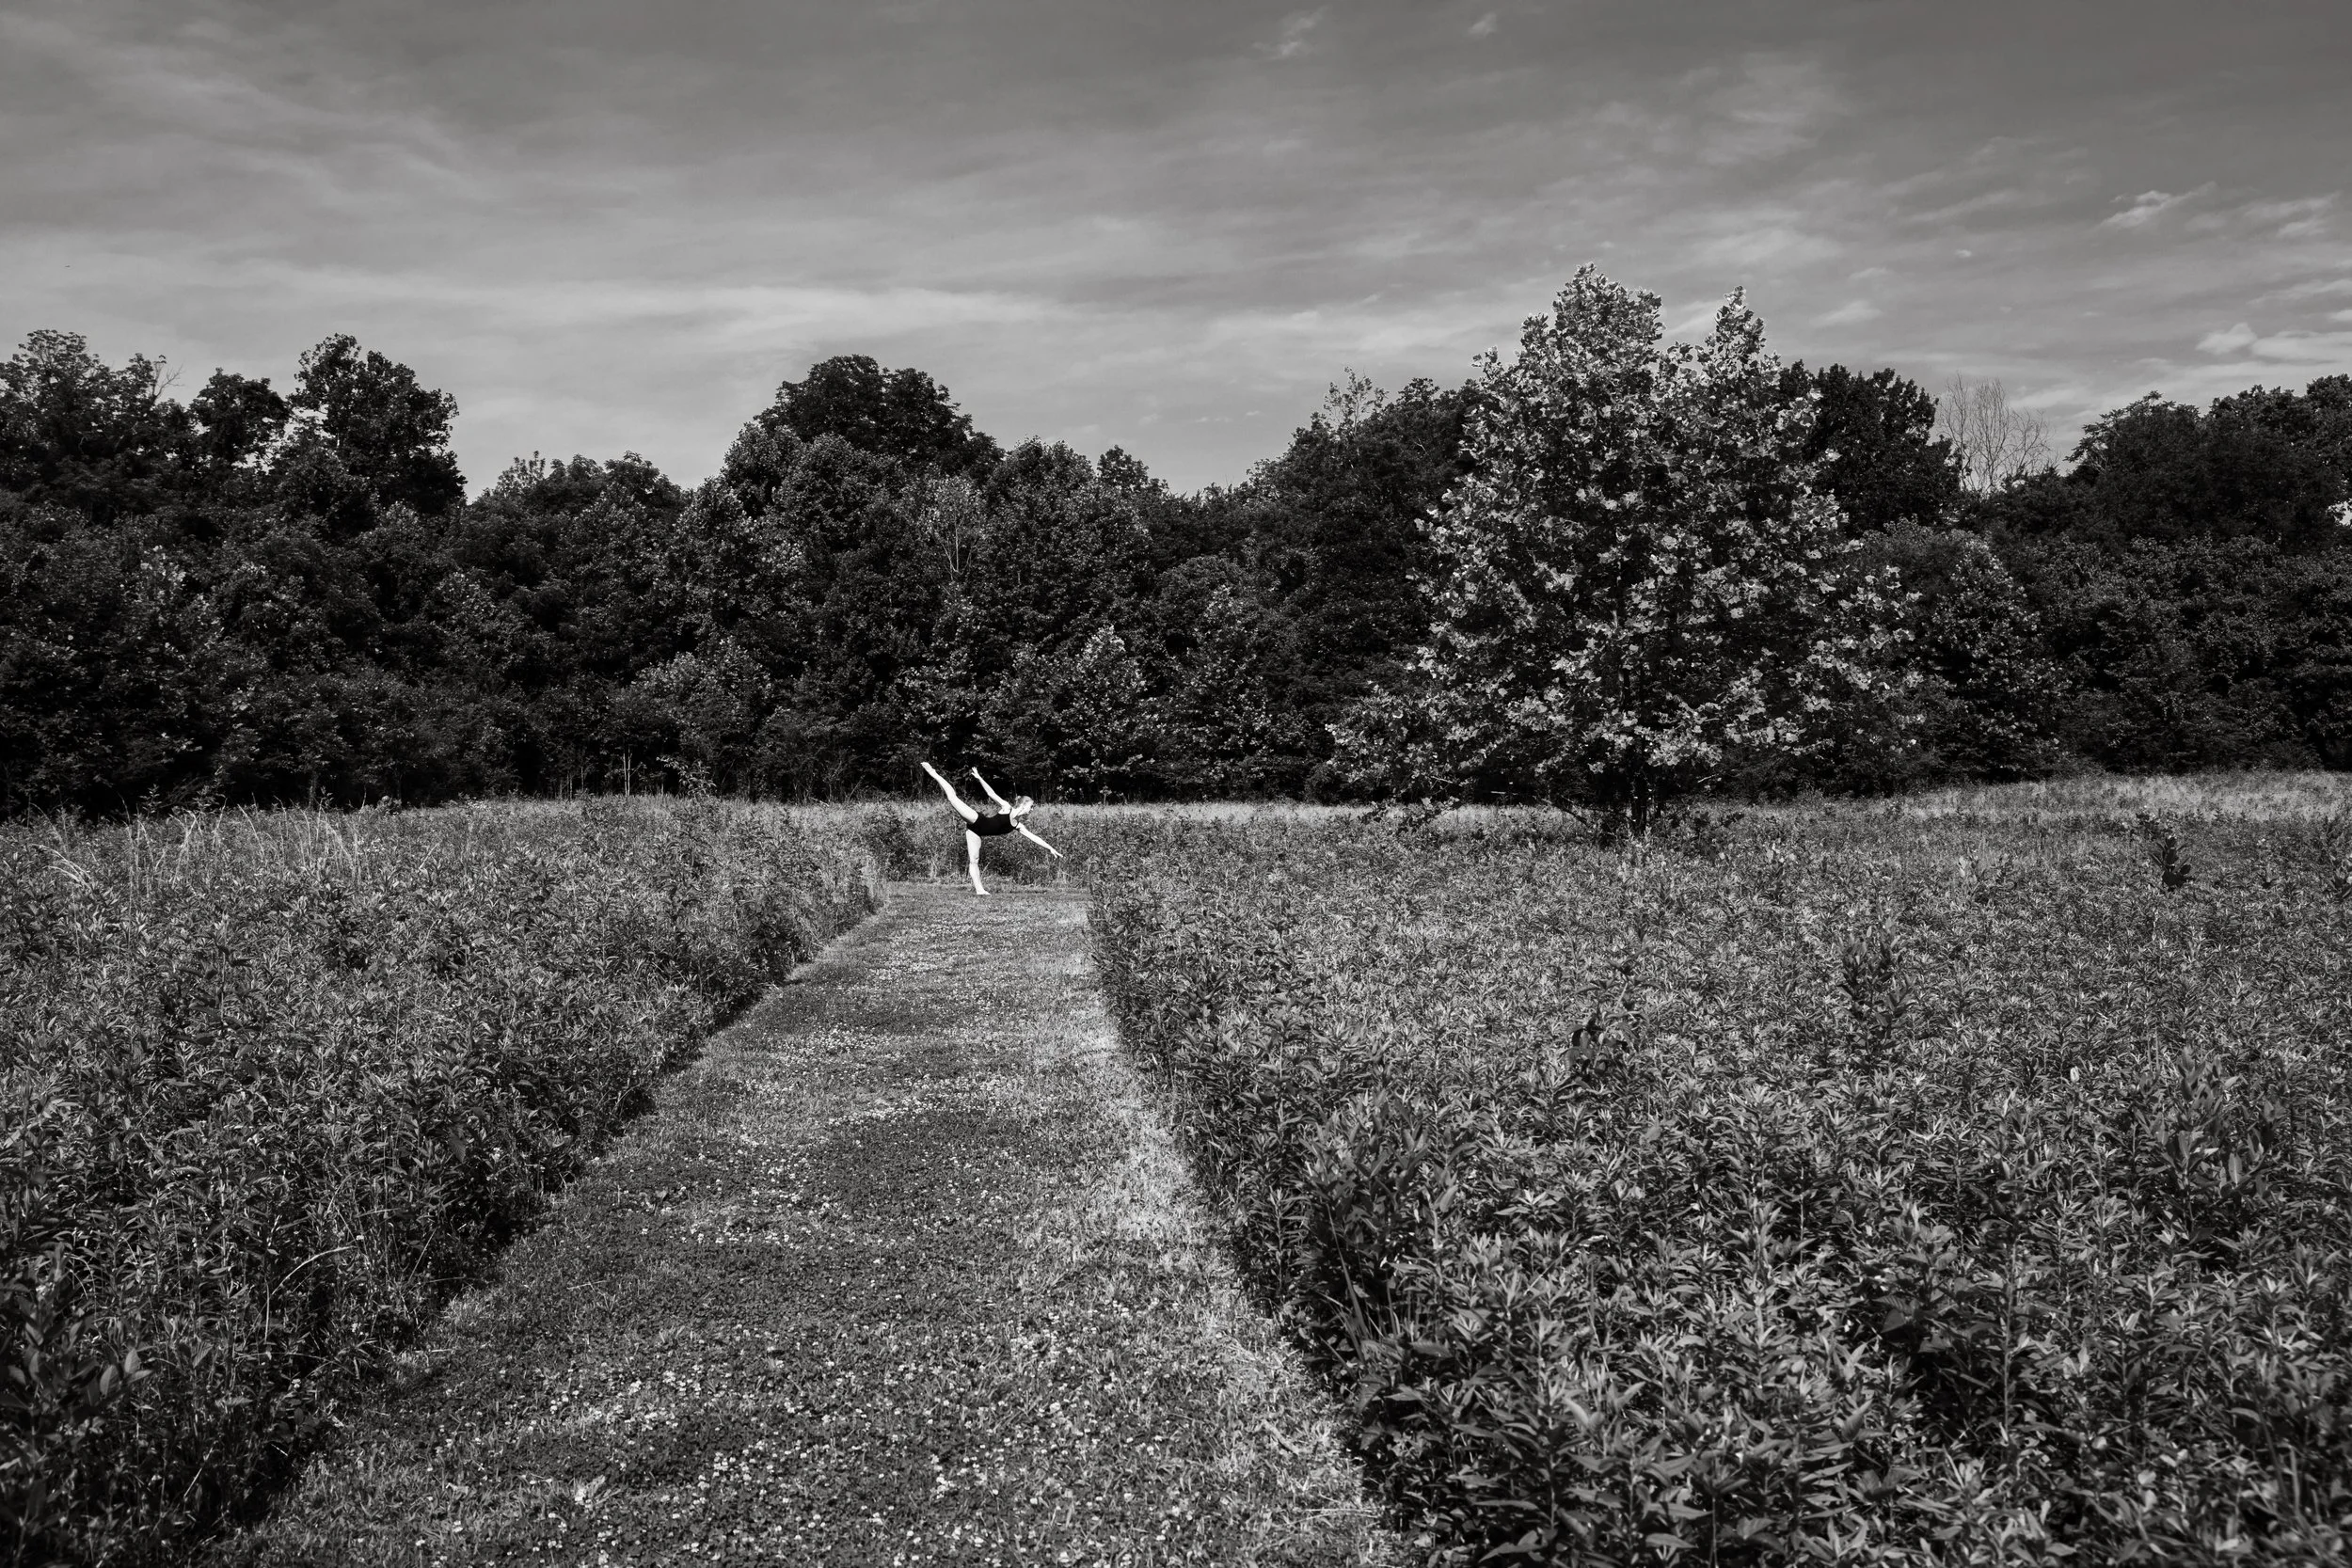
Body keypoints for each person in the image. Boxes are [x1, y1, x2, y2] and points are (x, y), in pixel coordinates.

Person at [919, 760, 1061, 895]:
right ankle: (933, 773)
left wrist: (1050, 848)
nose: (1031, 810)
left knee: (974, 860)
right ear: (1023, 805)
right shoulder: (1006, 807)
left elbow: (1034, 837)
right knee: (952, 798)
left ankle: (979, 890)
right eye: (1031, 807)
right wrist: (980, 778)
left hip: (976, 832)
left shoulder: (1018, 825)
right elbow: (991, 793)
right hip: (976, 820)